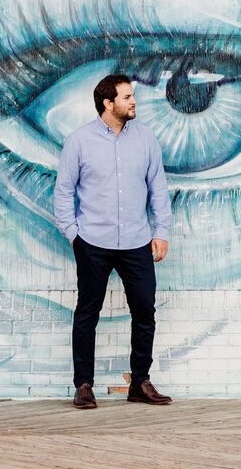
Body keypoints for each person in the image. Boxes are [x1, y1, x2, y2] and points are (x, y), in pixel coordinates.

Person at [53, 73, 174, 409]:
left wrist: (161, 231)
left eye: (132, 96)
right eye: (126, 97)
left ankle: (140, 383)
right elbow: (63, 192)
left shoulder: (146, 139)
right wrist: (74, 236)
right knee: (88, 313)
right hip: (93, 241)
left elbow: (158, 190)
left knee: (144, 312)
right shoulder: (79, 141)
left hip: (137, 241)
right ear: (108, 103)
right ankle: (84, 385)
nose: (133, 102)